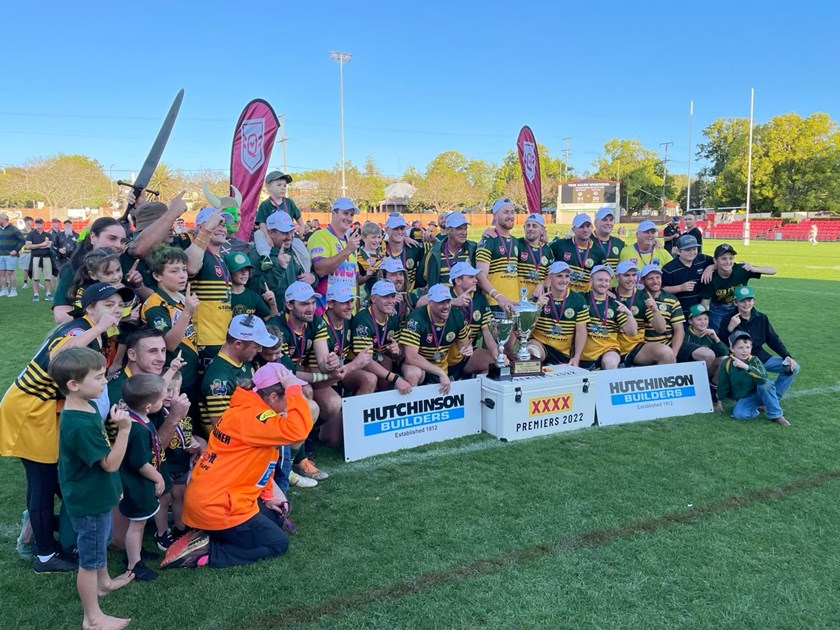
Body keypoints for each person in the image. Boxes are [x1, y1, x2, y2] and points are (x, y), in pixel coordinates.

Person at [0, 282, 128, 573]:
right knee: (42, 481)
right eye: (108, 305)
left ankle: (47, 529)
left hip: (45, 410)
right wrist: (100, 327)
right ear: (90, 308)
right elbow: (60, 358)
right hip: (31, 411)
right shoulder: (80, 329)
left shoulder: (90, 330)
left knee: (53, 477)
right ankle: (45, 555)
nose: (116, 310)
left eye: (120, 305)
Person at [162, 362, 313, 570]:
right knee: (278, 543)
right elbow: (298, 431)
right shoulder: (256, 418)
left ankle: (205, 533)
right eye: (286, 395)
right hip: (217, 506)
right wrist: (294, 390)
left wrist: (268, 497)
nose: (291, 400)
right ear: (273, 397)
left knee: (274, 518)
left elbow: (260, 463)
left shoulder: (244, 408)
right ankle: (207, 552)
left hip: (209, 499)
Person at [49, 347, 134, 630]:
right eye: (98, 377)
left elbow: (100, 462)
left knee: (101, 543)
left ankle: (104, 583)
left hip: (98, 494)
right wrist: (124, 430)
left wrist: (114, 488)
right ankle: (92, 618)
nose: (105, 381)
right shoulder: (78, 424)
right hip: (88, 501)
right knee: (90, 559)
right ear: (74, 384)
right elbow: (109, 463)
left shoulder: (86, 406)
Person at [118, 374, 169, 581]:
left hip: (140, 484)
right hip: (137, 486)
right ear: (148, 406)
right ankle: (134, 565)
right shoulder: (137, 429)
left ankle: (136, 552)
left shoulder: (138, 418)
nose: (164, 400)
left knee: (138, 524)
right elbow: (139, 463)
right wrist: (158, 478)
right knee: (137, 525)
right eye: (161, 399)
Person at [310, 284, 375, 448]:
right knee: (333, 440)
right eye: (344, 302)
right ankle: (314, 429)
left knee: (369, 378)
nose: (350, 306)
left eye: (351, 301)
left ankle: (355, 429)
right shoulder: (320, 325)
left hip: (340, 374)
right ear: (330, 304)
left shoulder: (349, 320)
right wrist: (354, 364)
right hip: (322, 381)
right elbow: (318, 379)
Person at [199, 314, 277, 435]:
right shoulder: (219, 379)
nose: (260, 350)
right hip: (236, 439)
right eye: (256, 346)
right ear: (238, 344)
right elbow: (222, 430)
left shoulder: (242, 358)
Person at [720, 285, 800, 400]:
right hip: (741, 360)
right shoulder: (728, 319)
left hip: (761, 358)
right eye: (742, 301)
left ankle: (774, 397)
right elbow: (722, 344)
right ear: (735, 302)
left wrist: (786, 356)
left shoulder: (762, 318)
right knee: (757, 385)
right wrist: (730, 328)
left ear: (754, 301)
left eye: (749, 300)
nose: (746, 304)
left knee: (794, 367)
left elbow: (772, 338)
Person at [53, 217, 131, 324]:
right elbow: (61, 316)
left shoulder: (126, 264)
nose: (118, 245)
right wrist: (100, 322)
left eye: (122, 241)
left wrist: (138, 285)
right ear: (93, 237)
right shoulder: (73, 268)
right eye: (112, 238)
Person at [351, 280, 423, 393]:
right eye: (385, 297)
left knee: (386, 361)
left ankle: (383, 398)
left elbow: (399, 356)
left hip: (380, 361)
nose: (390, 301)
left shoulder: (393, 318)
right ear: (373, 299)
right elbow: (365, 361)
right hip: (353, 365)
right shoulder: (363, 319)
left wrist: (397, 351)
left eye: (393, 296)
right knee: (372, 377)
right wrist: (395, 379)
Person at [639, 264, 715, 367]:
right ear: (642, 281)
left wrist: (674, 353)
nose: (655, 281)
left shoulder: (671, 299)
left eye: (658, 277)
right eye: (650, 279)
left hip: (669, 343)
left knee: (708, 355)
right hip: (646, 346)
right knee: (665, 354)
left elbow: (679, 330)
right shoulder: (637, 298)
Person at [184, 207, 234, 365]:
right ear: (201, 227)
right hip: (204, 339)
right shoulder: (198, 254)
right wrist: (205, 232)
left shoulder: (222, 258)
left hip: (223, 337)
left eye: (224, 225)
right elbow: (191, 267)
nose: (222, 228)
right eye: (216, 224)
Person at [400, 284, 471, 393]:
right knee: (412, 374)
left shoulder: (457, 315)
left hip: (443, 363)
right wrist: (440, 372)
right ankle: (413, 401)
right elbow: (411, 358)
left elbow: (464, 345)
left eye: (448, 301)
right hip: (419, 365)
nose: (446, 306)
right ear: (430, 303)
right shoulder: (416, 318)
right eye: (441, 302)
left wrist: (467, 349)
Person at [699, 243, 776, 333]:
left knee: (742, 333)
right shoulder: (711, 277)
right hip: (718, 309)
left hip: (738, 306)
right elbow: (705, 301)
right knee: (720, 334)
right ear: (715, 260)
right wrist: (704, 318)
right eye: (723, 259)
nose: (728, 262)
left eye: (731, 258)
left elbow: (773, 270)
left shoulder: (740, 270)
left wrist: (754, 269)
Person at [717, 331, 790, 426]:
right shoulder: (727, 363)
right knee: (739, 415)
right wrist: (720, 399)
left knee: (766, 385)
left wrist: (746, 367)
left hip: (761, 393)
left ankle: (776, 415)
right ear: (732, 349)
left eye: (748, 347)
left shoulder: (755, 360)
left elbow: (763, 379)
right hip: (745, 397)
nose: (745, 351)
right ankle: (756, 408)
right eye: (740, 348)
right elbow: (723, 383)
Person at [446, 262, 501, 377]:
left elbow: (487, 331)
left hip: (467, 355)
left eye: (475, 277)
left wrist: (497, 355)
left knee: (493, 363)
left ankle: (471, 380)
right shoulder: (445, 296)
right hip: (442, 357)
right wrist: (452, 302)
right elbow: (422, 302)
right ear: (458, 280)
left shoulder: (480, 299)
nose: (476, 280)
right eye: (471, 277)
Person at [527, 261, 588, 366]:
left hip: (562, 352)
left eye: (567, 276)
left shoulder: (578, 300)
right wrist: (537, 307)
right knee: (532, 351)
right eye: (559, 276)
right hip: (540, 344)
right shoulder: (538, 295)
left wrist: (577, 356)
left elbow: (581, 332)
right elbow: (525, 327)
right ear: (550, 278)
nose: (564, 280)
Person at [614, 260, 673, 367]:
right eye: (626, 275)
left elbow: (661, 329)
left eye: (634, 275)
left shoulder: (643, 296)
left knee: (666, 352)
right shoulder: (608, 294)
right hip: (610, 347)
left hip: (635, 347)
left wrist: (655, 310)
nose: (631, 279)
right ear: (617, 277)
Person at [249, 210, 315, 305]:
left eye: (291, 231)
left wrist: (313, 278)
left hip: (297, 311)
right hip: (271, 312)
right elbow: (252, 288)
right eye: (284, 232)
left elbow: (314, 274)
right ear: (271, 233)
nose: (290, 237)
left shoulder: (298, 249)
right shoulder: (258, 254)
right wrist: (278, 269)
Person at [307, 197, 361, 314]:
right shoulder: (320, 236)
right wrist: (347, 250)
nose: (349, 218)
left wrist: (356, 309)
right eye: (345, 213)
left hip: (348, 313)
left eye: (351, 215)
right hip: (326, 312)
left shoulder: (350, 241)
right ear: (333, 214)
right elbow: (320, 269)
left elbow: (354, 279)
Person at [579, 265, 637, 370]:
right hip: (584, 354)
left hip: (609, 349)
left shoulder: (615, 303)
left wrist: (629, 315)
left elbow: (632, 333)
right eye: (600, 280)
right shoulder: (580, 299)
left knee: (610, 362)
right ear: (591, 280)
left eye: (607, 280)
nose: (604, 284)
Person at [475, 198, 521, 311]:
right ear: (495, 216)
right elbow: (480, 276)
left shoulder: (516, 241)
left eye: (512, 212)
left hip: (515, 303)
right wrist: (499, 297)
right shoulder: (488, 240)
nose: (510, 216)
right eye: (506, 212)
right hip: (495, 303)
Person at [254, 171, 305, 270]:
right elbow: (262, 223)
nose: (283, 188)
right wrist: (267, 236)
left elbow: (298, 216)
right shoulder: (265, 204)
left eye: (285, 185)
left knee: (302, 250)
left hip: (289, 234)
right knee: (258, 233)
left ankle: (306, 270)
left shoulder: (289, 202)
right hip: (272, 234)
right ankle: (265, 257)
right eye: (279, 185)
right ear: (268, 187)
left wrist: (302, 226)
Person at [550, 213, 607, 293]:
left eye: (588, 226)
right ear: (573, 229)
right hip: (563, 295)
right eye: (581, 226)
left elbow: (603, 276)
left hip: (586, 296)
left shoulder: (599, 251)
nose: (585, 230)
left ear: (592, 228)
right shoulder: (560, 245)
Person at [686, 304, 727, 410]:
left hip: (707, 370)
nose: (703, 322)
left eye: (705, 319)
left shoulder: (710, 334)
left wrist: (716, 338)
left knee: (725, 360)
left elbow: (725, 353)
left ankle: (713, 386)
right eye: (699, 319)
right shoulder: (686, 335)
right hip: (690, 373)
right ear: (690, 321)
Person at [661, 234, 714, 313]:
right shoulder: (669, 269)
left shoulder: (703, 259)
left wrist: (710, 267)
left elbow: (718, 262)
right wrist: (680, 288)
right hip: (679, 312)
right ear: (678, 251)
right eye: (687, 250)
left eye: (694, 249)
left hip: (700, 312)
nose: (692, 252)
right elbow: (662, 289)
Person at [424, 212, 477, 286]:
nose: (464, 233)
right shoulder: (434, 252)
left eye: (465, 229)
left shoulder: (473, 248)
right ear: (448, 230)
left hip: (470, 293)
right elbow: (431, 283)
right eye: (459, 229)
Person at [225, 251, 278, 320]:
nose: (244, 273)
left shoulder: (253, 296)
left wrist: (273, 304)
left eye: (246, 269)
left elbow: (271, 320)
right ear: (229, 272)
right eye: (239, 270)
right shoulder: (222, 296)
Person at [381, 214, 426, 292]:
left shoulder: (415, 248)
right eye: (395, 228)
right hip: (386, 295)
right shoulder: (381, 250)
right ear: (386, 230)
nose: (399, 232)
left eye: (402, 228)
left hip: (408, 294)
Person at [517, 213, 553, 300]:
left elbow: (550, 278)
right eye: (528, 225)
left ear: (542, 230)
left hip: (538, 300)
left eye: (534, 226)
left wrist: (542, 284)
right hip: (516, 299)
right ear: (524, 228)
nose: (530, 228)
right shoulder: (516, 244)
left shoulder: (547, 250)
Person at [25, 218, 54, 302]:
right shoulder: (31, 234)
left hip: (46, 257)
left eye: (40, 223)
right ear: (35, 224)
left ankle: (48, 294)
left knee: (48, 277)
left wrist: (35, 246)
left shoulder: (48, 234)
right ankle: (36, 294)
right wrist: (42, 244)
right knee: (36, 277)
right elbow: (28, 246)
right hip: (36, 257)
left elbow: (48, 245)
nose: (39, 225)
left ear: (43, 224)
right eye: (37, 223)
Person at [591, 207, 625, 272]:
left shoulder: (619, 244)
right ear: (595, 223)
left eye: (611, 220)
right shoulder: (586, 241)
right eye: (605, 220)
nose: (608, 223)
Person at [0, 212, 25, 298]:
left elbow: (22, 240)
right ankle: (4, 290)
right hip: (1, 255)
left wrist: (16, 250)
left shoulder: (14, 229)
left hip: (10, 255)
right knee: (1, 273)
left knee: (10, 272)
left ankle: (13, 291)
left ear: (3, 219)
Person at [19, 215, 33, 289]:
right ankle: (25, 283)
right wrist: (19, 251)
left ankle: (37, 282)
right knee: (26, 268)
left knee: (36, 268)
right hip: (25, 252)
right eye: (31, 221)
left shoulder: (34, 231)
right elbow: (19, 242)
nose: (32, 222)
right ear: (27, 222)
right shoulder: (21, 232)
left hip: (34, 252)